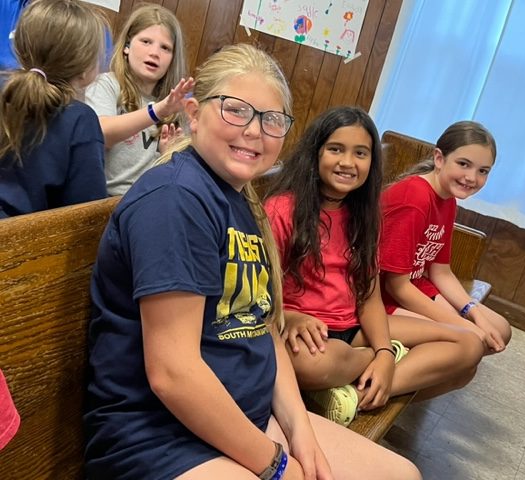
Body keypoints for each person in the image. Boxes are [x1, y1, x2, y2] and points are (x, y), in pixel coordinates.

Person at [84, 44, 421, 480]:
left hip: (245, 417)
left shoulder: (239, 201)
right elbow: (173, 374)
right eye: (235, 110)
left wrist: (300, 431)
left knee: (401, 474)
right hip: (160, 438)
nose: (254, 131)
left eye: (272, 119)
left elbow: (262, 328)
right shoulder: (175, 200)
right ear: (193, 113)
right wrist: (276, 464)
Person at [264, 107, 484, 427]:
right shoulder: (282, 209)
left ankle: (354, 393)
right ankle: (381, 362)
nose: (348, 162)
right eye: (336, 149)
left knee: (468, 344)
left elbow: (369, 297)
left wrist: (382, 351)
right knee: (309, 364)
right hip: (307, 331)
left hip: (355, 328)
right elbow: (260, 292)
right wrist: (292, 316)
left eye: (361, 153)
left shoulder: (365, 215)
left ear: (371, 161)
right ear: (315, 153)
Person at [379, 121, 512, 355]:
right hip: (380, 296)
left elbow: (440, 272)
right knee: (466, 342)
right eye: (464, 164)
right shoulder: (415, 198)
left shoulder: (448, 200)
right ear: (439, 159)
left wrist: (474, 313)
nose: (472, 177)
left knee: (499, 328)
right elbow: (396, 286)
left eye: (483, 171)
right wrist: (460, 324)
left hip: (414, 285)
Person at [0, 0, 108, 218]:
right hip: (29, 237)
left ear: (20, 47)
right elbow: (86, 215)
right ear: (86, 69)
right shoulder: (80, 120)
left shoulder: (6, 94)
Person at [85, 3, 194, 196]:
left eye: (165, 48)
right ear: (127, 46)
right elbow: (101, 134)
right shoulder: (107, 84)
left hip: (146, 199)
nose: (154, 53)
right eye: (146, 41)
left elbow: (171, 177)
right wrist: (157, 111)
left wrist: (168, 155)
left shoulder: (174, 105)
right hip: (102, 201)